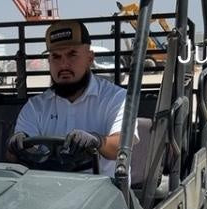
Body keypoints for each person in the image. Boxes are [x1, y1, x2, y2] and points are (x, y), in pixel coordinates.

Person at [7, 21, 128, 176]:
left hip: (105, 194)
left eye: (72, 55)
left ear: (90, 58)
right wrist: (15, 145)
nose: (64, 64)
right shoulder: (35, 107)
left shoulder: (115, 98)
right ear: (49, 62)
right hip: (48, 192)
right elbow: (12, 157)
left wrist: (97, 141)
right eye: (56, 57)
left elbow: (123, 146)